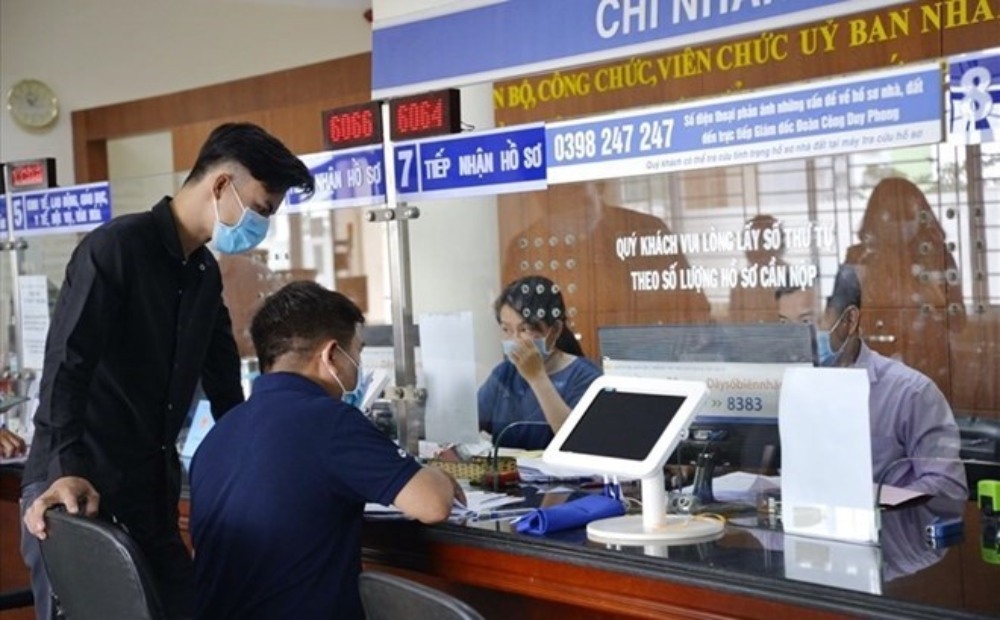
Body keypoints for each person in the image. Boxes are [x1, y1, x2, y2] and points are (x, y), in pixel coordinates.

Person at [20, 122, 314, 620]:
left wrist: (269, 456)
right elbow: (67, 367)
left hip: (149, 493)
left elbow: (225, 389)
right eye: (262, 208)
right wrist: (66, 470)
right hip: (75, 487)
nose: (262, 224)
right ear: (222, 185)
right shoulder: (116, 248)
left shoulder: (202, 274)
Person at [190, 281, 462, 619]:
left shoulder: (220, 433)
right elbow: (433, 505)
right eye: (357, 353)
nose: (357, 367)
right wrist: (441, 475)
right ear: (332, 355)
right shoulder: (330, 421)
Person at [816, 265, 967, 499]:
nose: (798, 335)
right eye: (786, 324)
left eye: (810, 322)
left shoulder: (911, 393)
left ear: (850, 320)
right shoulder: (791, 390)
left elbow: (948, 487)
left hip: (888, 531)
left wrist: (874, 503)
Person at [478, 275, 602, 450]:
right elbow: (468, 423)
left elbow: (577, 441)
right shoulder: (504, 374)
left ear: (555, 330)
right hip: (509, 475)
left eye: (525, 329)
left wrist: (537, 378)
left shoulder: (585, 376)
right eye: (506, 329)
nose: (514, 339)